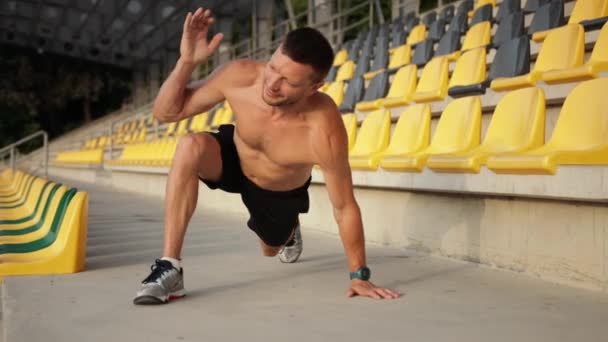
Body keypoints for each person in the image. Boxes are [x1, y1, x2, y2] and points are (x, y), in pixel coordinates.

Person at [133, 7, 401, 305]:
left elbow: (344, 206)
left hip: (277, 190)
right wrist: (186, 62)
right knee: (189, 145)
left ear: (314, 88)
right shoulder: (242, 75)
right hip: (233, 157)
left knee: (271, 249)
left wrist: (359, 276)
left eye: (288, 81)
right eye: (273, 68)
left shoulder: (322, 128)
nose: (272, 84)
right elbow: (166, 113)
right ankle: (170, 266)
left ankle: (288, 233)